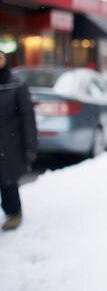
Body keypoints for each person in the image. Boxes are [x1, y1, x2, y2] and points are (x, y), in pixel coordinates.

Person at [0, 51, 37, 231]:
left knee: (7, 180)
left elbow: (27, 118)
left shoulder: (16, 85)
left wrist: (30, 146)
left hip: (10, 142)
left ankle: (14, 213)